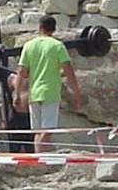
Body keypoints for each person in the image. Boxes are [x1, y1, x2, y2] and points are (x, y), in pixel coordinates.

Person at [14, 15, 81, 153]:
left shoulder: (29, 45)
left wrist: (17, 94)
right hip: (50, 92)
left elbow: (22, 72)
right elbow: (69, 71)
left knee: (38, 132)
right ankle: (40, 156)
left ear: (40, 27)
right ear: (54, 29)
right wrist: (76, 94)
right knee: (48, 130)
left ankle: (38, 158)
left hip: (34, 93)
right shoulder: (57, 46)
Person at [7, 73, 34, 153]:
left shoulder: (36, 74)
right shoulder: (12, 77)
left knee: (30, 146)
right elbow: (6, 98)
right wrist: (4, 118)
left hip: (31, 114)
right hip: (16, 114)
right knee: (15, 145)